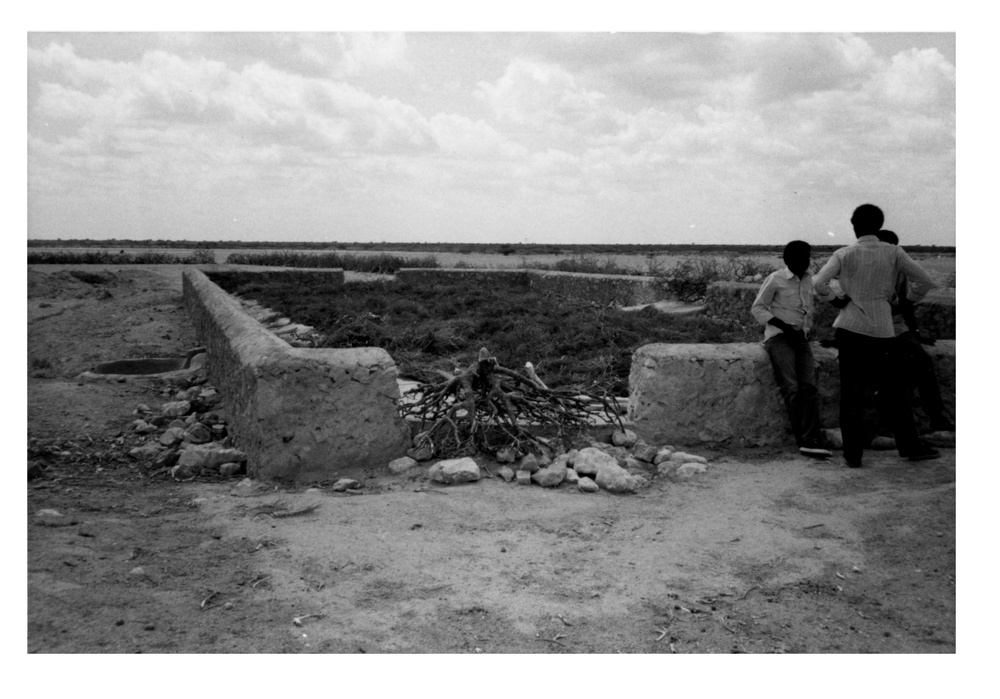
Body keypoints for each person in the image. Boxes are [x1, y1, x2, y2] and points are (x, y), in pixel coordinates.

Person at [813, 204, 941, 467]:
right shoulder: (893, 252)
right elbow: (926, 281)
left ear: (854, 226)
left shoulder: (843, 254)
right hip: (882, 329)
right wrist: (903, 303)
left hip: (849, 327)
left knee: (851, 393)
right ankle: (910, 446)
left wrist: (837, 300)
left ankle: (853, 454)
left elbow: (817, 284)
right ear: (879, 225)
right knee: (894, 391)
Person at [751, 240, 833, 458]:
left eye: (807, 258)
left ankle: (812, 436)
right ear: (788, 260)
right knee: (791, 387)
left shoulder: (808, 279)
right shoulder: (776, 279)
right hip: (779, 339)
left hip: (801, 339)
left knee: (810, 387)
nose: (804, 262)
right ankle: (804, 438)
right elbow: (758, 308)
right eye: (799, 258)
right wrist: (785, 327)